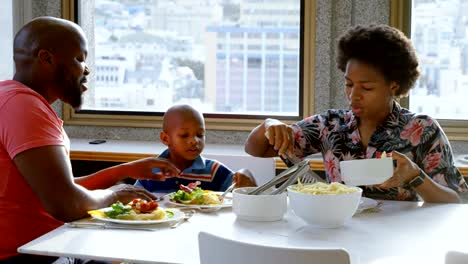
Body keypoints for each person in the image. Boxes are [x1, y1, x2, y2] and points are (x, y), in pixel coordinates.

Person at [0, 17, 181, 263]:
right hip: (25, 255)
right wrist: (115, 195)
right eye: (79, 59)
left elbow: (58, 187)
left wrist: (126, 171)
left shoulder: (10, 98)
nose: (86, 70)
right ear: (47, 58)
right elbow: (66, 205)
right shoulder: (25, 106)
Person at [245, 24, 467, 203]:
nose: (353, 95)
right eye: (349, 84)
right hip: (338, 235)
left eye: (367, 87)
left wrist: (416, 176)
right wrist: (269, 124)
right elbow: (256, 149)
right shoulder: (329, 125)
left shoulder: (422, 130)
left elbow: (457, 201)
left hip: (398, 243)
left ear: (394, 85)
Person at [135, 104, 257, 193]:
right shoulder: (150, 172)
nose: (194, 141)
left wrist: (246, 176)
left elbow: (245, 194)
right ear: (165, 139)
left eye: (200, 135)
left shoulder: (214, 171)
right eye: (184, 135)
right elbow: (133, 200)